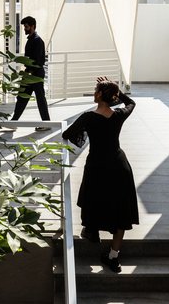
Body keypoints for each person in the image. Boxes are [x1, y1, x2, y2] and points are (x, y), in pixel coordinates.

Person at [62, 76, 138, 273]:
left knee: (93, 199)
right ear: (112, 97)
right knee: (120, 209)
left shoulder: (88, 117)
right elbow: (131, 102)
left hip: (97, 165)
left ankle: (92, 231)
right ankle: (113, 257)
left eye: (96, 90)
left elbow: (68, 135)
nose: (94, 93)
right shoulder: (119, 114)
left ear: (98, 95)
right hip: (119, 165)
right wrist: (116, 91)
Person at [11, 16, 50, 130]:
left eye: (26, 26)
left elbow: (38, 61)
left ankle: (46, 123)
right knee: (22, 98)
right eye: (24, 26)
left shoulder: (38, 41)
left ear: (32, 26)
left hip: (35, 74)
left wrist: (29, 72)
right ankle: (14, 121)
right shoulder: (31, 40)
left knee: (40, 99)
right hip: (30, 73)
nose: (24, 29)